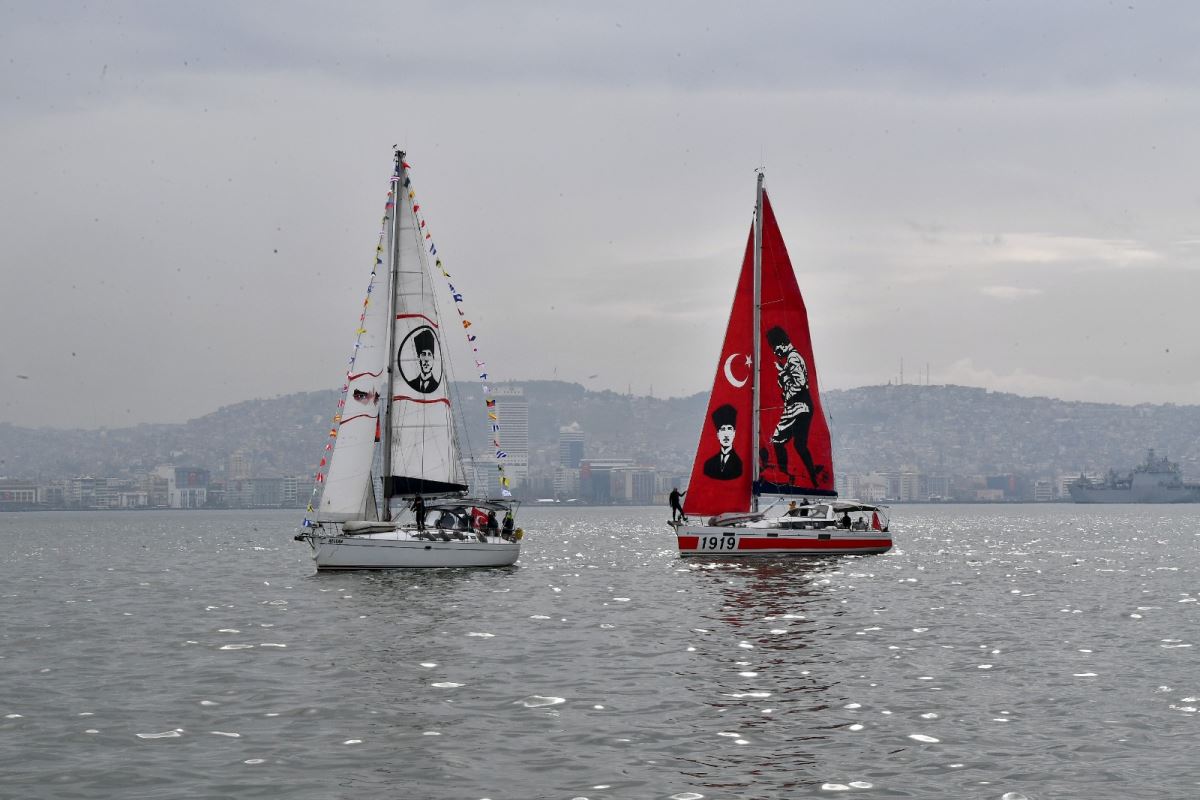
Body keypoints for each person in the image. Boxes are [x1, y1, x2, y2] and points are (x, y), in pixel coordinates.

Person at [761, 326, 825, 489]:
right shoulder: (793, 358)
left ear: (782, 344)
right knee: (799, 445)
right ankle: (813, 476)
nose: (775, 352)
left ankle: (783, 475)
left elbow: (800, 383)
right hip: (805, 406)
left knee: (777, 439)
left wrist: (785, 385)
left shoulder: (793, 358)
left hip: (797, 406)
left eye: (775, 348)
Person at [702, 404, 743, 480]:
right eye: (723, 429)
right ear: (718, 435)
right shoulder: (709, 464)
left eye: (729, 429)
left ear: (734, 433)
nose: (726, 434)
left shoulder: (739, 464)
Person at [404, 327, 440, 394]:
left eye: (429, 354)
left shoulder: (436, 385)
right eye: (423, 354)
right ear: (418, 358)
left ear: (433, 358)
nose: (426, 359)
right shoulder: (411, 384)